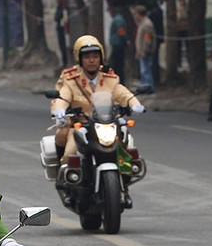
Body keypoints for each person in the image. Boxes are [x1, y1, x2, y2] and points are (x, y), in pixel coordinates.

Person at [50, 35, 145, 168]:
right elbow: (63, 97)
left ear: (101, 58)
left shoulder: (110, 79)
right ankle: (67, 175)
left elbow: (123, 93)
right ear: (80, 59)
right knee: (69, 155)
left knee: (127, 146)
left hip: (107, 124)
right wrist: (59, 110)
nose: (91, 61)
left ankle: (128, 173)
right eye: (87, 57)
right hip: (81, 126)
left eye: (95, 56)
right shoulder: (72, 80)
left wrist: (135, 104)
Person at [134, 5, 156, 92]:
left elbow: (147, 39)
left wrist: (144, 50)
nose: (135, 16)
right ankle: (145, 87)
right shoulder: (142, 23)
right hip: (141, 51)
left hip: (145, 52)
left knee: (146, 70)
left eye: (136, 14)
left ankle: (149, 87)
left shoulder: (147, 24)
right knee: (144, 70)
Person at [108, 5, 128, 76]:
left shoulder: (118, 20)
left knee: (117, 65)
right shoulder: (118, 19)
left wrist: (124, 40)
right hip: (118, 44)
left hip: (118, 45)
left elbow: (121, 31)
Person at [54, 0, 69, 67]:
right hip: (59, 28)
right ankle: (64, 61)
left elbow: (59, 16)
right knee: (61, 46)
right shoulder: (59, 6)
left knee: (64, 46)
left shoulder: (63, 7)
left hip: (63, 29)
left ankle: (65, 61)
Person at [176, 0, 189, 67]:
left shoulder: (187, 8)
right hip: (179, 29)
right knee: (179, 46)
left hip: (186, 28)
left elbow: (186, 16)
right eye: (181, 0)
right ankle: (179, 62)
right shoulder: (178, 9)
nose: (182, 2)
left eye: (183, 0)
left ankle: (189, 60)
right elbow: (178, 17)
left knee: (188, 45)